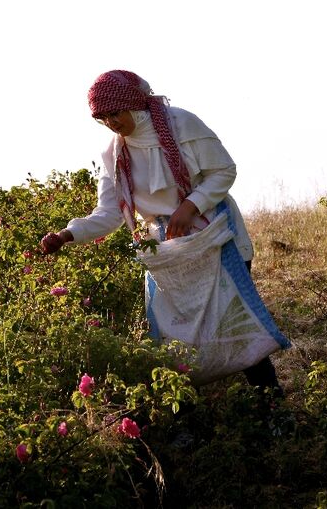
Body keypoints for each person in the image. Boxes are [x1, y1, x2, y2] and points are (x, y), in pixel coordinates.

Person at [40, 70, 281, 395]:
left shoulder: (182, 125)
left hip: (217, 238)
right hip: (168, 252)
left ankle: (270, 402)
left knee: (234, 325)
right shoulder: (113, 155)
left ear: (133, 104)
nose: (112, 123)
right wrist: (68, 234)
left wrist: (190, 206)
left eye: (115, 113)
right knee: (175, 339)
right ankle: (190, 414)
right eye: (103, 117)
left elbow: (224, 170)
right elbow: (109, 214)